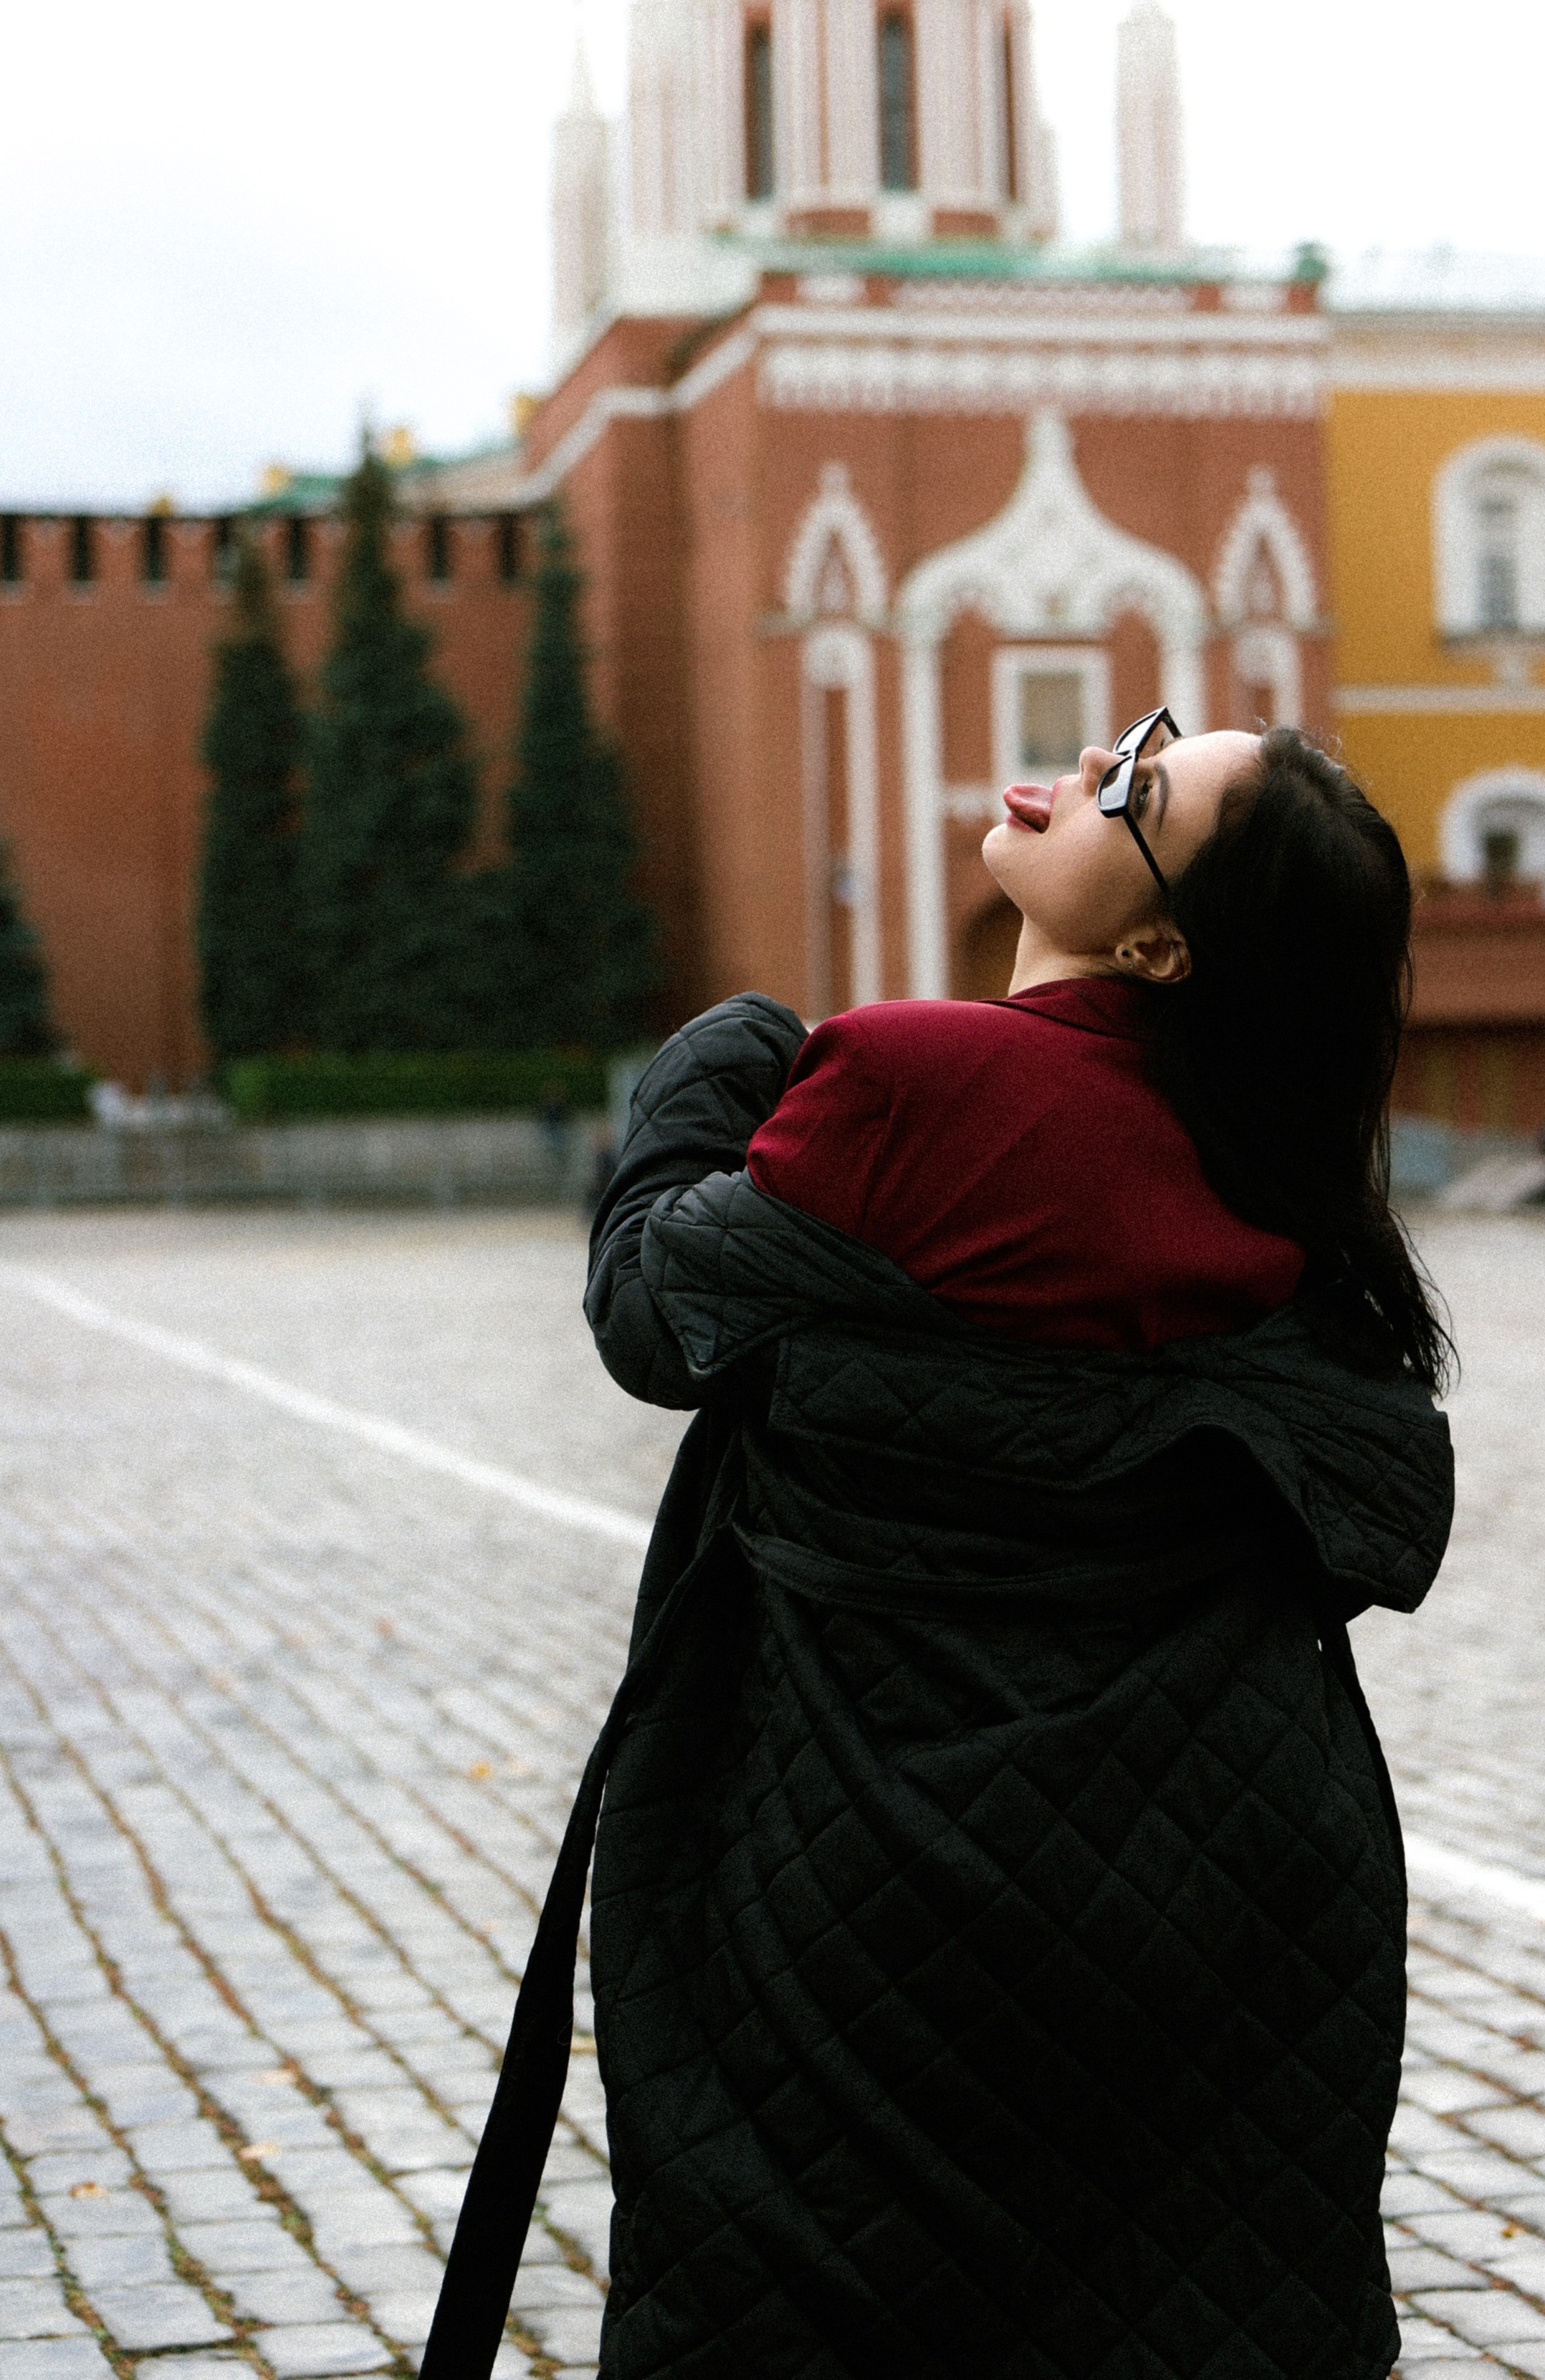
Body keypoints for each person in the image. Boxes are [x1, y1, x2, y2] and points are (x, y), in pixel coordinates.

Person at [424, 717, 1455, 2380]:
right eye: (1142, 738)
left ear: (1156, 942)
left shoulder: (908, 1081)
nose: (1083, 766)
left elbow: (655, 1312)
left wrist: (723, 1053)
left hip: (869, 1857)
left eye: (1136, 790)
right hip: (1233, 1874)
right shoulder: (1283, 1190)